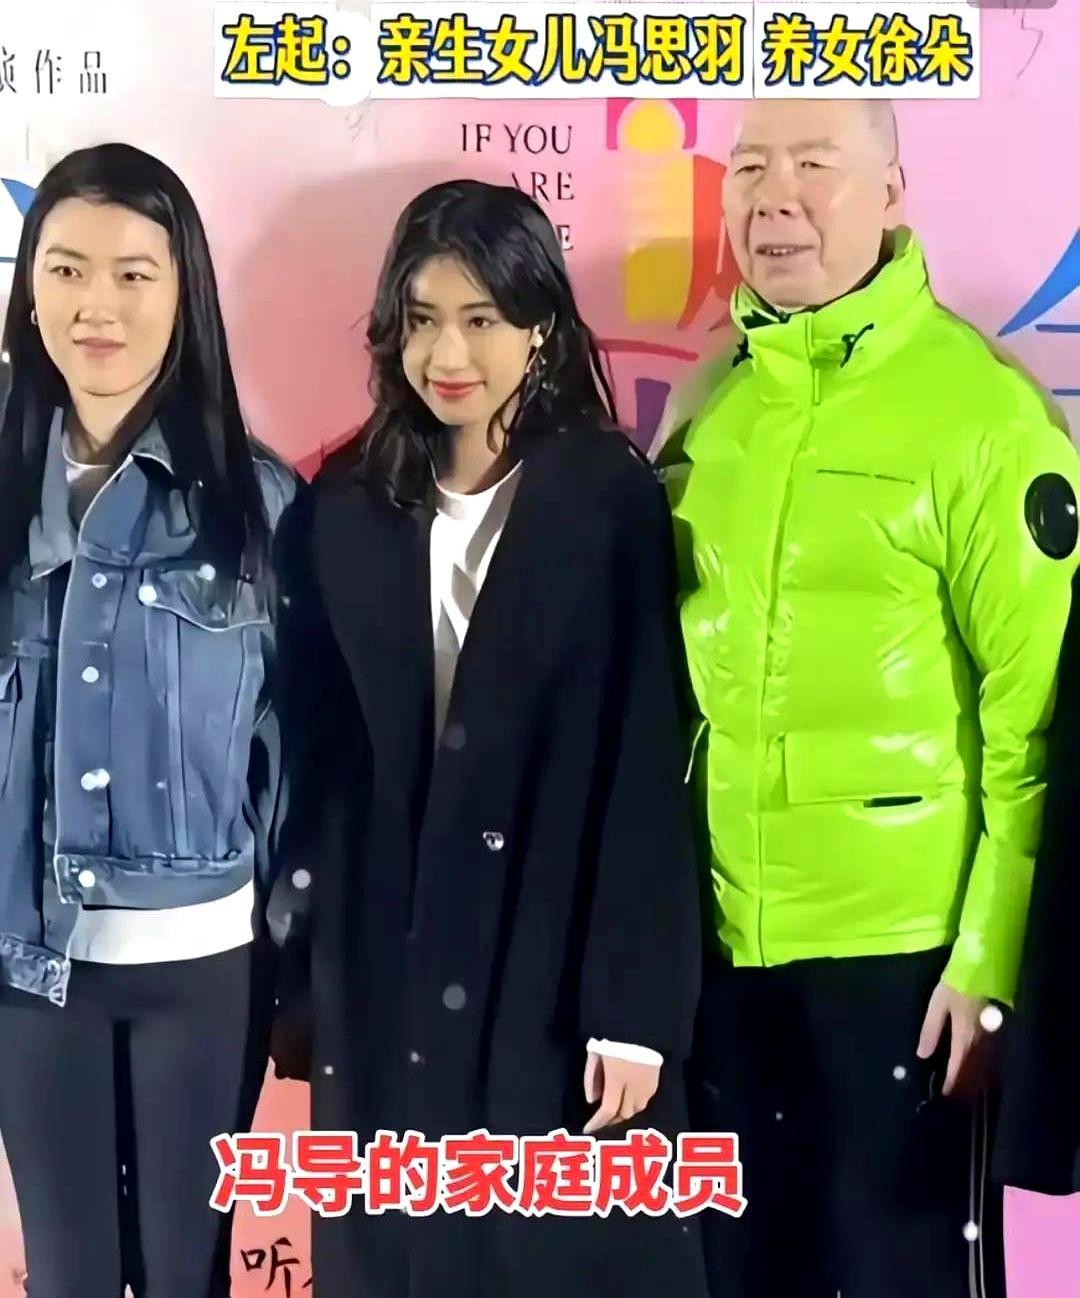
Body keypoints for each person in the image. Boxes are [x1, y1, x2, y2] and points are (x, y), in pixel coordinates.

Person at [652, 98, 1080, 1298]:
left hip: (909, 962)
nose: (774, 197)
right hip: (723, 950)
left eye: (814, 165)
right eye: (749, 167)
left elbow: (1038, 727)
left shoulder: (983, 412)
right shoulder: (708, 404)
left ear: (891, 195)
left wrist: (990, 959)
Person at [267, 179, 707, 1298]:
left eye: (481, 318)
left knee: (543, 1250)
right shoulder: (344, 503)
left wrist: (634, 1010)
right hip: (386, 948)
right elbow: (319, 752)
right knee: (397, 1250)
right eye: (422, 319)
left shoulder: (606, 499)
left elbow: (642, 758)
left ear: (540, 328)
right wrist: (303, 960)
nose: (448, 354)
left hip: (546, 953)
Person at [0, 143, 304, 1298]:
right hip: (27, 970)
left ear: (185, 295)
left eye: (135, 274)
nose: (99, 306)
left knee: (188, 1273)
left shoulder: (260, 503)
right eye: (67, 269)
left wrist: (302, 954)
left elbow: (294, 754)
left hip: (205, 965)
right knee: (68, 1274)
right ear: (30, 289)